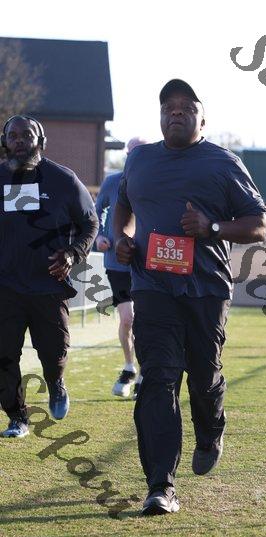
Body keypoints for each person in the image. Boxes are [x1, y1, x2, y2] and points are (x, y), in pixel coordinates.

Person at [114, 79, 266, 516]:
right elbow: (123, 205)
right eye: (168, 107)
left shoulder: (223, 163)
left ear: (203, 118)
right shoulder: (140, 159)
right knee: (157, 379)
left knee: (202, 375)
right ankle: (160, 485)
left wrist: (212, 227)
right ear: (161, 117)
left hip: (206, 290)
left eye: (186, 106)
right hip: (153, 287)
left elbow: (258, 224)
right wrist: (121, 237)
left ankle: (210, 429)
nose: (176, 112)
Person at [0, 115, 98, 438]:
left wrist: (73, 254)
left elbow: (90, 223)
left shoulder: (63, 180)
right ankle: (18, 418)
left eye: (26, 135)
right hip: (6, 287)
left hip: (48, 285)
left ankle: (56, 383)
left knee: (54, 353)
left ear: (41, 141)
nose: (19, 140)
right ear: (4, 142)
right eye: (12, 135)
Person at [95, 137, 147, 399]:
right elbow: (95, 213)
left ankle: (144, 374)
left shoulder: (155, 182)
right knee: (128, 318)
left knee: (145, 321)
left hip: (147, 263)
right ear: (127, 155)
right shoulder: (112, 182)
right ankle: (129, 367)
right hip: (117, 262)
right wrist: (99, 238)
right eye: (132, 154)